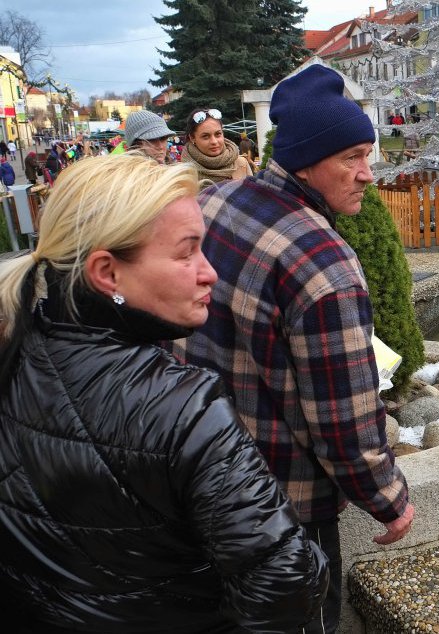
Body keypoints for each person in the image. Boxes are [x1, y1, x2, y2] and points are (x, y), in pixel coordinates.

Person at [0, 154, 328, 633]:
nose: (208, 272)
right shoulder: (186, 408)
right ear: (107, 273)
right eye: (186, 252)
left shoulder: (15, 352)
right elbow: (286, 580)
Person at [174, 64, 414, 634]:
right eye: (352, 157)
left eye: (368, 156)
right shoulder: (324, 265)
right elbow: (343, 421)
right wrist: (388, 498)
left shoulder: (216, 202)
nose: (367, 174)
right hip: (284, 503)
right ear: (307, 159)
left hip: (201, 470)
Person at [181, 107, 253, 187]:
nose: (214, 141)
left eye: (218, 134)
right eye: (205, 136)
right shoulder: (183, 173)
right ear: (192, 138)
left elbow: (254, 196)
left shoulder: (241, 163)